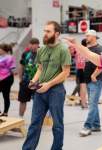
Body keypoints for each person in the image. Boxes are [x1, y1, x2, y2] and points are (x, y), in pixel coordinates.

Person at [22, 21, 71, 150]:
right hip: (40, 90)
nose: (45, 34)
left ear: (57, 33)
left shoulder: (63, 50)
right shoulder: (41, 50)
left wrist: (49, 84)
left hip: (56, 91)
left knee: (57, 124)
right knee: (35, 123)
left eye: (48, 31)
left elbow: (66, 72)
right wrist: (33, 81)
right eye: (44, 31)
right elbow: (40, 68)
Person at [79, 30, 102, 137]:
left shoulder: (99, 49)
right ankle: (96, 125)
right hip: (88, 80)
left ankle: (87, 126)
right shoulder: (87, 49)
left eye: (88, 35)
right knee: (93, 103)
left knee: (92, 103)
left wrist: (94, 75)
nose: (86, 37)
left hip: (97, 80)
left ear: (94, 37)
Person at [18, 38, 40, 118]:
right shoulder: (26, 53)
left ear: (37, 45)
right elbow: (21, 66)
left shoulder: (42, 53)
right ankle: (20, 118)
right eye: (30, 45)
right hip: (26, 81)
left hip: (37, 82)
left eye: (33, 45)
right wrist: (20, 79)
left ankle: (37, 119)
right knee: (22, 100)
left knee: (37, 102)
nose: (31, 47)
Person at [70, 39, 88, 109]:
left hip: (79, 69)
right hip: (84, 69)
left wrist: (72, 44)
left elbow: (72, 51)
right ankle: (80, 100)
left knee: (80, 85)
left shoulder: (78, 49)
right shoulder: (87, 50)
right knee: (82, 86)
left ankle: (82, 101)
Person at [0, 43, 16, 116]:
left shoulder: (9, 57)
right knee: (5, 95)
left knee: (5, 95)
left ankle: (5, 112)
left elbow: (12, 69)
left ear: (3, 50)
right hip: (1, 79)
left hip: (7, 79)